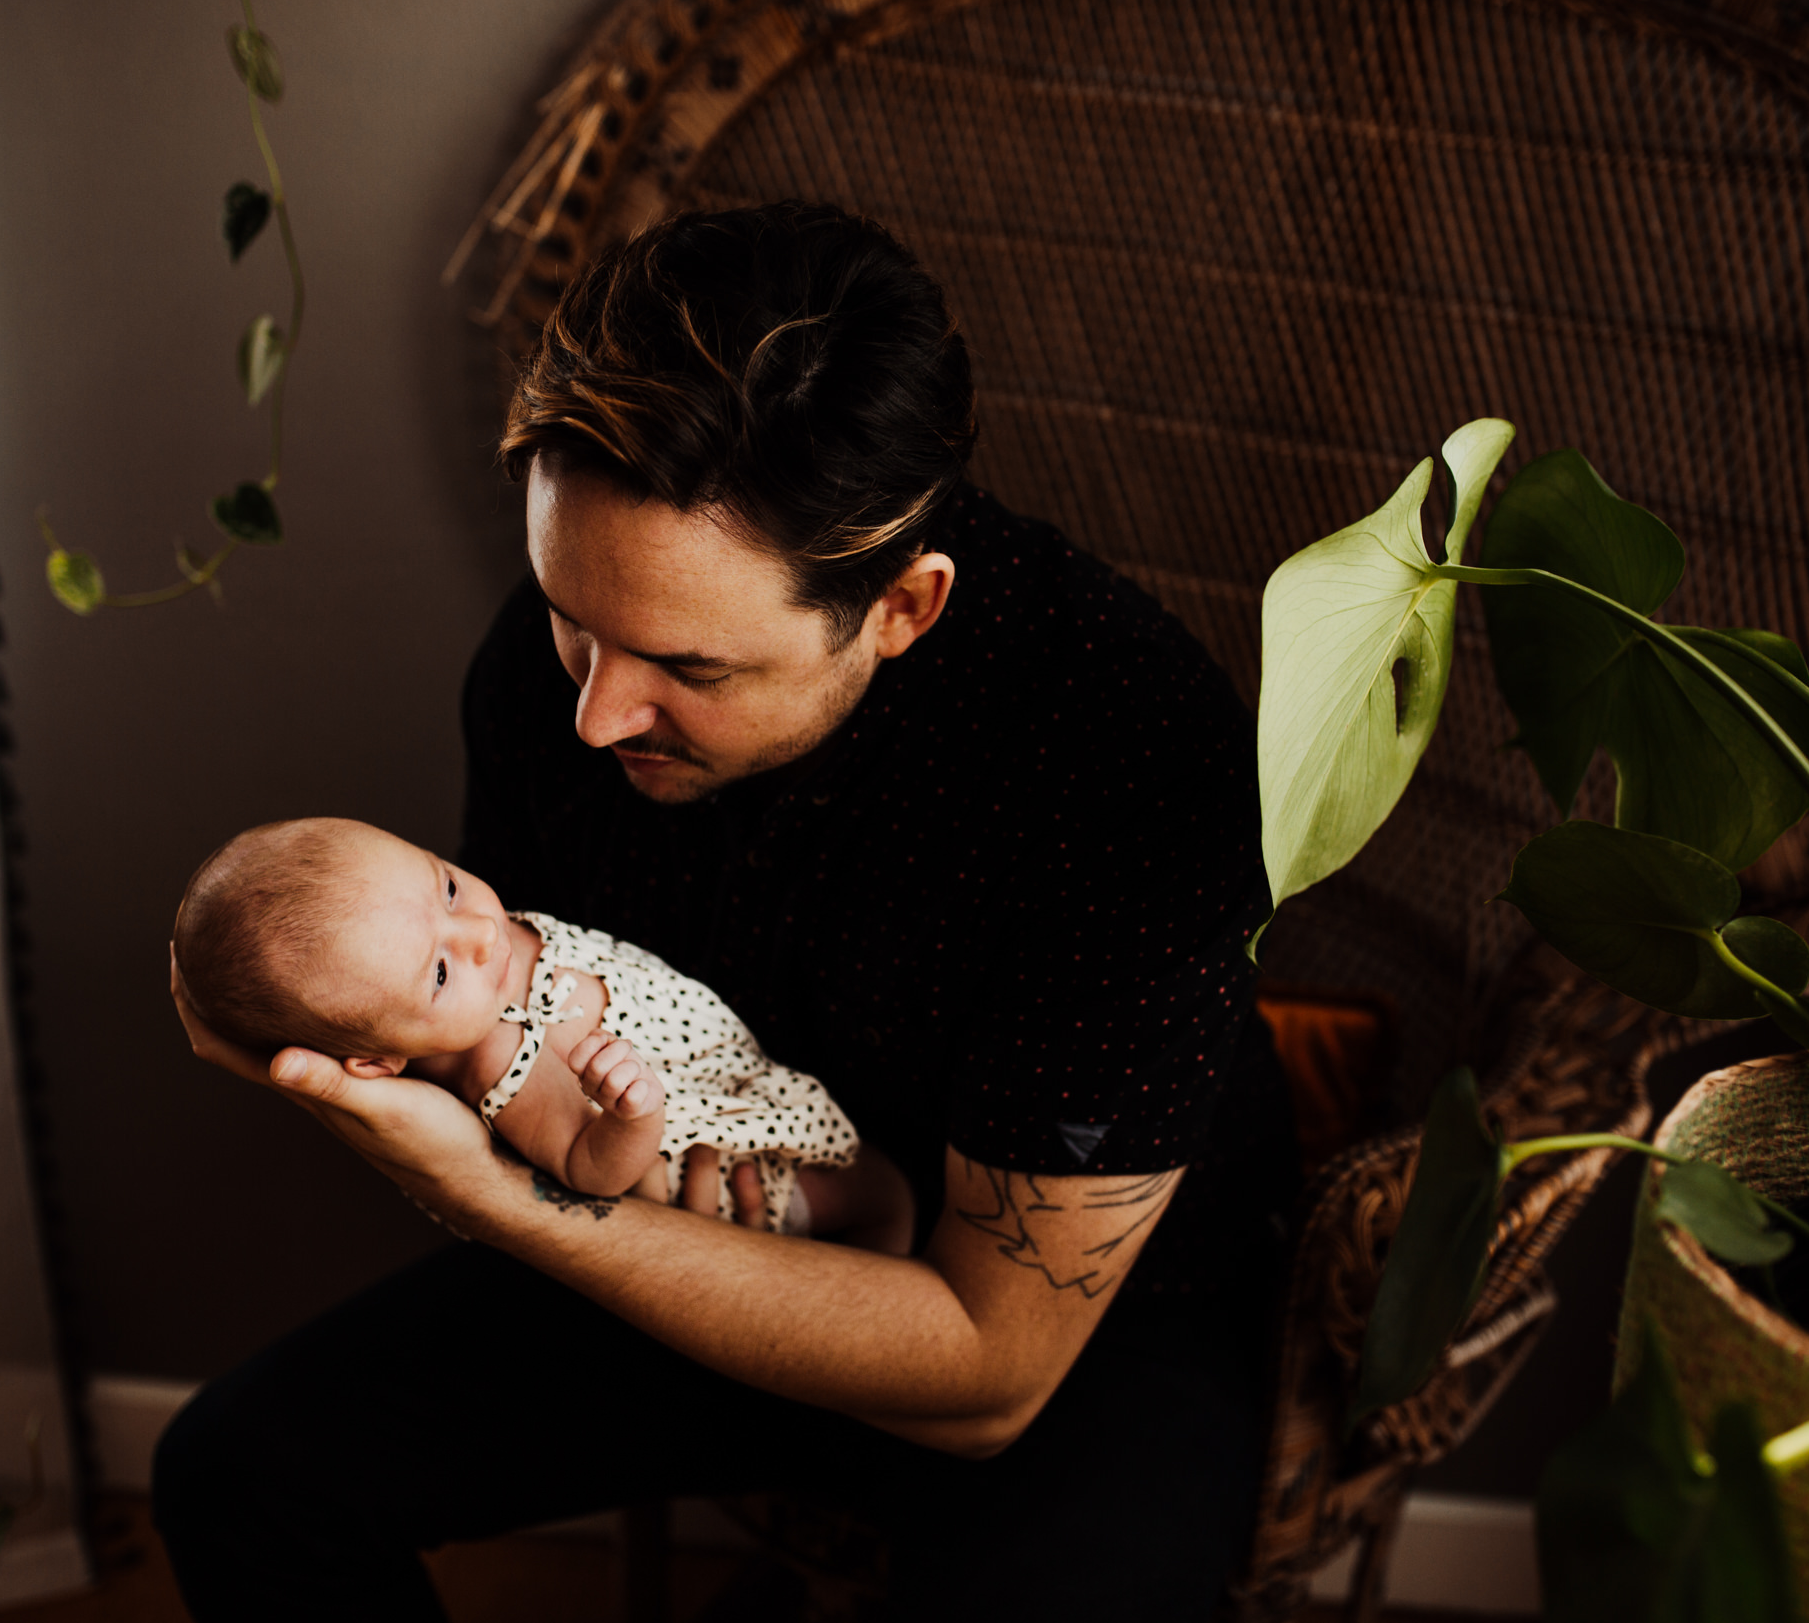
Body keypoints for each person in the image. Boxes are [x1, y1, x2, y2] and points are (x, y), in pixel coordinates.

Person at [153, 201, 1297, 1622]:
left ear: (902, 609)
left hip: (1059, 1331)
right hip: (688, 1207)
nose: (594, 715)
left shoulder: (1126, 757)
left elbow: (991, 1372)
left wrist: (497, 1204)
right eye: (574, 616)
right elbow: (515, 1020)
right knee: (238, 1472)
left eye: (689, 667)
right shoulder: (549, 679)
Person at [170, 815, 906, 1242]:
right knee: (861, 1202)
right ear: (376, 1060)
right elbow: (592, 1169)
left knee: (880, 1165)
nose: (480, 935)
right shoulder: (501, 1067)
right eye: (437, 972)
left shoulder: (476, 950)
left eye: (446, 885)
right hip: (716, 1160)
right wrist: (630, 1111)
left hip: (735, 1070)